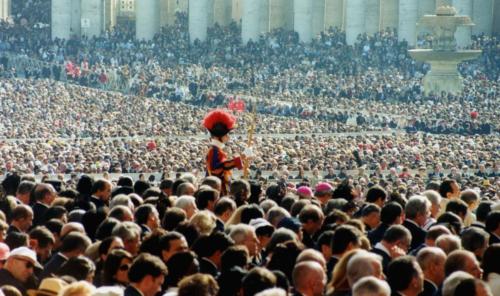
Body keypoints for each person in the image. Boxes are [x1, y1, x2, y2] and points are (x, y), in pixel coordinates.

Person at [203, 109, 244, 195]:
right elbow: (217, 168)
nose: (228, 137)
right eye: (226, 134)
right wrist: (237, 160)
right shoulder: (213, 150)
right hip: (216, 188)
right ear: (219, 137)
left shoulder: (216, 149)